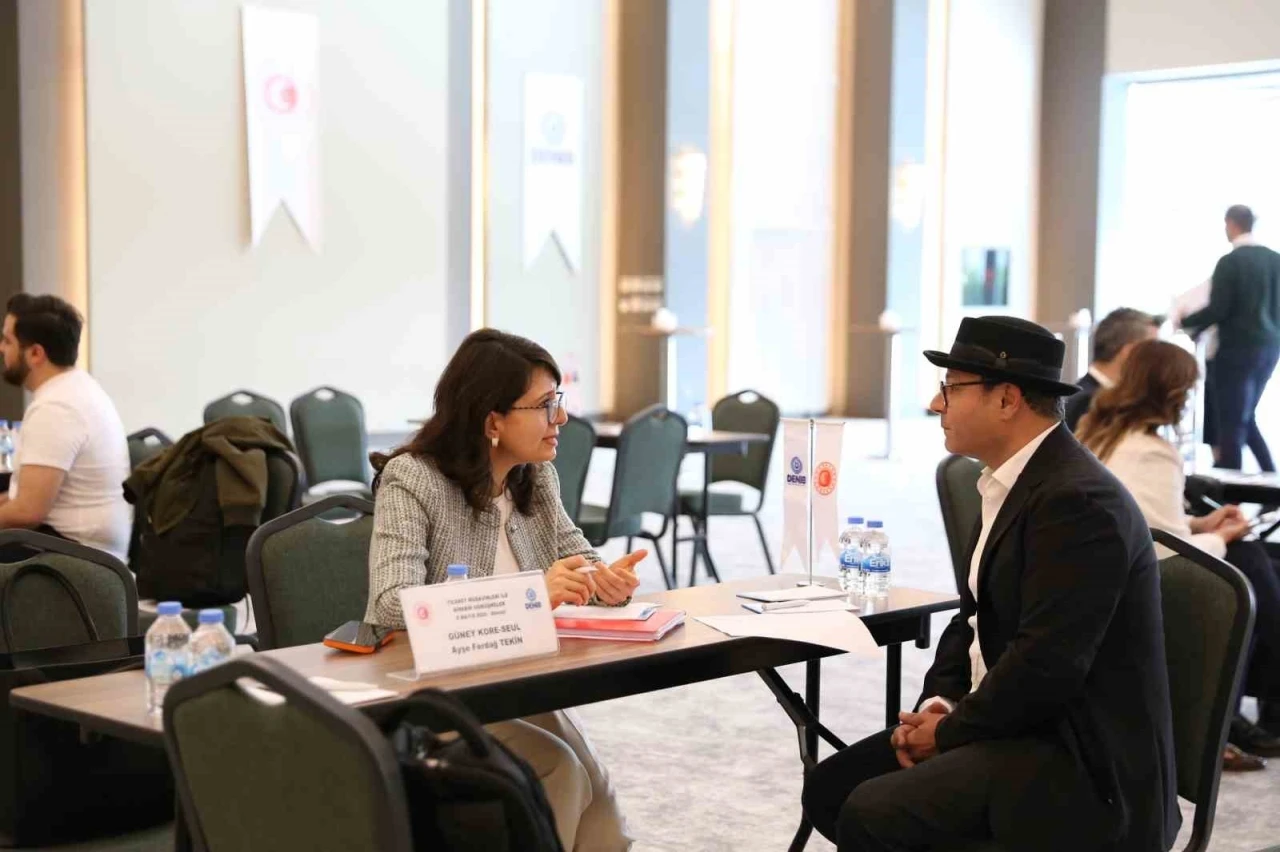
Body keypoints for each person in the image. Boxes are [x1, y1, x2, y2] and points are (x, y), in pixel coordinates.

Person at [802, 316, 1179, 851]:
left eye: (952, 389)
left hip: (1082, 766)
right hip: (1020, 727)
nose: (936, 404)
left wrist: (950, 734)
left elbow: (1047, 666)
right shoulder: (1013, 479)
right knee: (831, 789)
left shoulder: (1078, 503)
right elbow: (974, 617)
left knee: (872, 811)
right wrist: (941, 703)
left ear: (1006, 400)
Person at [365, 329, 641, 852]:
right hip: (433, 695)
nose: (561, 418)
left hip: (513, 682)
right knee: (559, 770)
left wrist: (607, 581)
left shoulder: (535, 477)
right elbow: (390, 602)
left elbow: (577, 556)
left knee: (602, 805)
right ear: (492, 421)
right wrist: (532, 592)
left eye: (558, 400)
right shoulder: (413, 479)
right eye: (544, 405)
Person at [1077, 338, 1280, 766]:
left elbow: (1139, 517)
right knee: (1249, 566)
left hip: (1101, 570)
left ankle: (1236, 718)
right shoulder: (1152, 452)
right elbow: (1167, 552)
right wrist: (1221, 537)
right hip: (1143, 582)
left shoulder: (1100, 432)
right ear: (1173, 393)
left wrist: (1202, 524)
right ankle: (1227, 723)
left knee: (1257, 562)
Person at [0, 294, 130, 561]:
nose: (2, 348)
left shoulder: (57, 407)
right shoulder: (74, 388)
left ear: (36, 353)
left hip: (78, 559)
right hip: (72, 546)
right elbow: (20, 499)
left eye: (7, 341)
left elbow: (27, 512)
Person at [1181, 205, 1280, 470]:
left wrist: (1185, 322)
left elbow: (1219, 308)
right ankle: (1270, 476)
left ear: (1231, 224)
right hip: (1270, 349)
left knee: (1230, 422)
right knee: (1244, 416)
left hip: (1236, 350)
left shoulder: (1231, 262)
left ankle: (1230, 484)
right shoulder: (1276, 260)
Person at [1063, 307, 1161, 432]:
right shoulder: (1088, 403)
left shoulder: (1099, 398)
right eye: (1153, 350)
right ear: (1131, 351)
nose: (1158, 359)